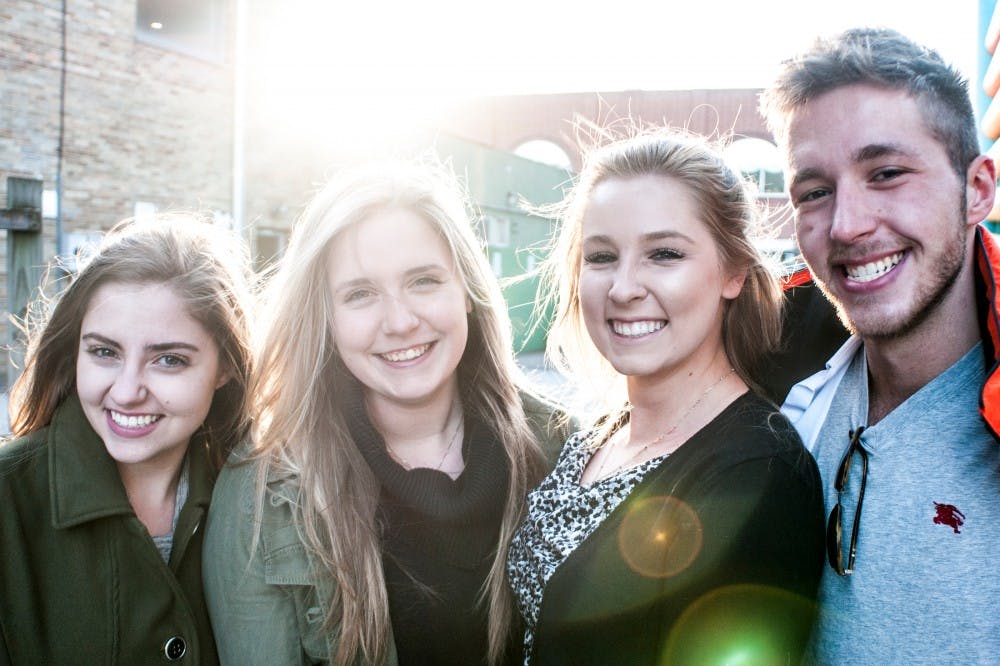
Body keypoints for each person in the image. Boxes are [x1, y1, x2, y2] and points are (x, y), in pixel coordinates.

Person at [203, 161, 569, 665]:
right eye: (360, 294)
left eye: (423, 281)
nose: (399, 321)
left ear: (466, 290)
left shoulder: (563, 448)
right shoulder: (264, 491)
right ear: (325, 319)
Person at [506, 130, 825, 665]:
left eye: (664, 253)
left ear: (733, 272)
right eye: (602, 256)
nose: (624, 287)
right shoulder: (597, 434)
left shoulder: (758, 477)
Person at [760, 27, 1000, 663]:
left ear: (977, 189)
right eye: (814, 191)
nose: (846, 225)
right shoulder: (769, 373)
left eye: (887, 173)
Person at [0, 214, 254, 664]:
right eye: (104, 352)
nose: (126, 391)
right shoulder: (9, 499)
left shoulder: (263, 503)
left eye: (169, 360)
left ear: (226, 367)